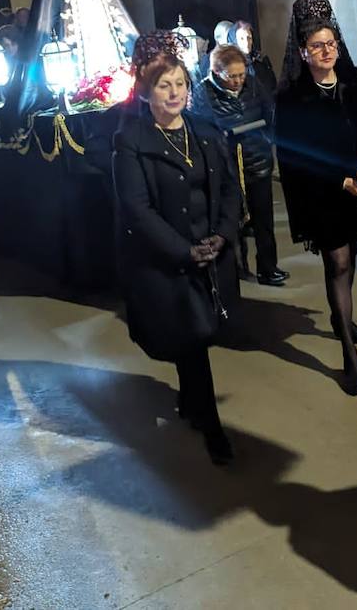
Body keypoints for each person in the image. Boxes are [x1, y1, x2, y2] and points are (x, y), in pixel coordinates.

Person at [112, 31, 242, 465]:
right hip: (172, 260)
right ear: (147, 92)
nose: (175, 93)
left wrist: (223, 234)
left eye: (181, 84)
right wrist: (183, 252)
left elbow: (228, 189)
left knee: (199, 336)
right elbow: (136, 208)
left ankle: (191, 402)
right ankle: (212, 427)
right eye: (164, 85)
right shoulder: (132, 141)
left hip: (211, 250)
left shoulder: (204, 131)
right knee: (195, 339)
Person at [276, 0, 357, 396]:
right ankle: (347, 351)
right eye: (317, 47)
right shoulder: (293, 98)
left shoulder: (354, 81)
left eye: (331, 44)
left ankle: (342, 317)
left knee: (352, 254)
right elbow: (294, 156)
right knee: (338, 262)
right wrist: (337, 180)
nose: (327, 52)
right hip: (322, 195)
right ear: (303, 53)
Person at [191, 44, 287, 286]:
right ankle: (237, 268)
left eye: (241, 74)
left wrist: (267, 134)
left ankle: (268, 267)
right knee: (233, 221)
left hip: (258, 161)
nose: (238, 81)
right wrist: (225, 137)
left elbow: (269, 111)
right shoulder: (203, 93)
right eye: (231, 76)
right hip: (228, 168)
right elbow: (204, 128)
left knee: (263, 219)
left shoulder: (253, 84)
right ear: (217, 72)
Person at [234, 19, 277, 100]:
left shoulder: (261, 60)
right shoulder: (232, 67)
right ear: (235, 41)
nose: (246, 43)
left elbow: (272, 86)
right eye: (241, 39)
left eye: (249, 38)